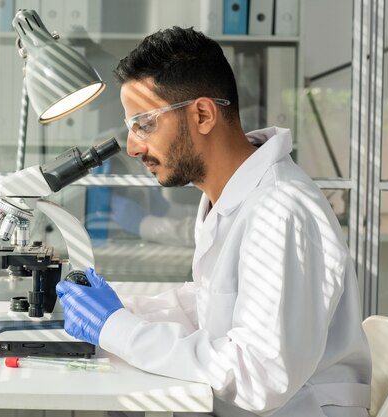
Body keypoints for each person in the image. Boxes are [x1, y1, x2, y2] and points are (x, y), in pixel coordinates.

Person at [56, 26, 371, 417]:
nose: (134, 146)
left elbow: (260, 376)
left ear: (202, 114)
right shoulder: (229, 196)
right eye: (130, 127)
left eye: (145, 124)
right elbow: (214, 303)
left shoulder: (280, 210)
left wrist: (117, 328)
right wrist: (119, 311)